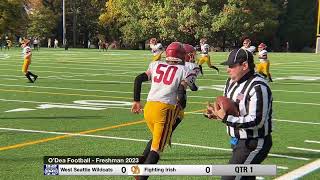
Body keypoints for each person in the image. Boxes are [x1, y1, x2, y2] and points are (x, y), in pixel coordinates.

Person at [205, 48, 273, 180]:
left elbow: (257, 121)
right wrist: (215, 113)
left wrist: (225, 118)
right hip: (237, 140)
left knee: (230, 177)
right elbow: (231, 109)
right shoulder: (230, 82)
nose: (228, 70)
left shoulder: (258, 86)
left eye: (231, 66)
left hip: (253, 143)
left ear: (244, 66)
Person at [131, 42, 189, 180]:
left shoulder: (155, 64)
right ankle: (142, 177)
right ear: (181, 55)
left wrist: (136, 101)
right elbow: (181, 91)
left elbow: (138, 79)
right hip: (164, 110)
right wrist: (182, 105)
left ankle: (139, 167)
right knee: (156, 149)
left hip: (149, 107)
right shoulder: (184, 70)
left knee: (155, 141)